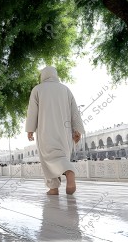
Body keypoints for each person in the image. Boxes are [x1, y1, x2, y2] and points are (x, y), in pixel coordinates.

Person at [25, 66, 85, 195]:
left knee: (48, 158)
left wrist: (30, 130)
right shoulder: (65, 89)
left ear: (43, 76)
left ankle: (55, 186)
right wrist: (77, 130)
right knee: (61, 155)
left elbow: (32, 111)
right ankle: (65, 176)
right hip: (65, 131)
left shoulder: (37, 89)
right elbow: (75, 111)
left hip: (45, 130)